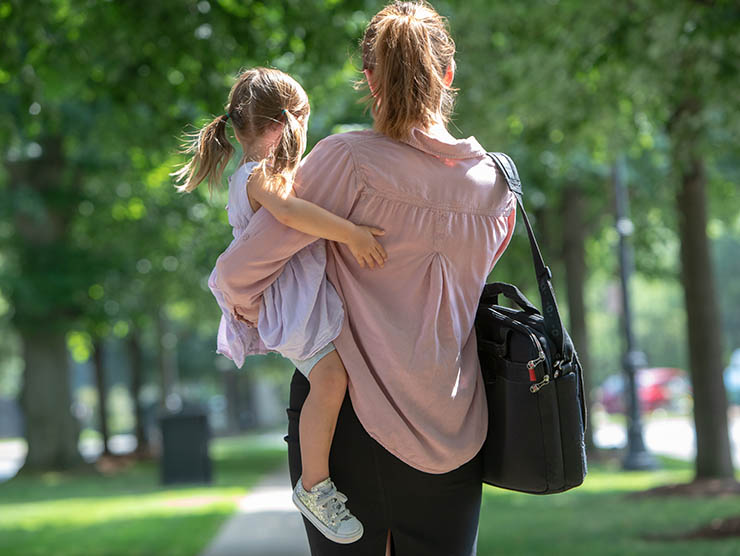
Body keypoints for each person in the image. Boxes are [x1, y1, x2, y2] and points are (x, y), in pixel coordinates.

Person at [213, 2, 517, 554]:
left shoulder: (347, 161)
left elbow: (236, 275)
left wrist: (276, 320)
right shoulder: (498, 186)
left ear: (370, 80)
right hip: (457, 427)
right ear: (448, 74)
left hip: (347, 424)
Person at [174, 67, 389, 544]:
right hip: (292, 309)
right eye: (304, 121)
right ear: (286, 123)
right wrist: (351, 233)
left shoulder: (262, 176)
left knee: (335, 376)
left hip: (299, 303)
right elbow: (291, 214)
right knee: (331, 379)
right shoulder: (256, 178)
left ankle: (319, 480)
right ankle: (314, 485)